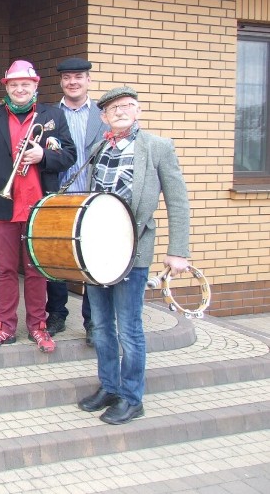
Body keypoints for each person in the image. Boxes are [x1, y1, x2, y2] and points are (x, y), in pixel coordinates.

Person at [78, 86, 190, 425]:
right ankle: (109, 387)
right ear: (104, 117)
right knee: (100, 325)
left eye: (128, 105)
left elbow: (178, 199)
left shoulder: (157, 147)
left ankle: (132, 398)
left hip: (133, 249)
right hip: (96, 250)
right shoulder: (99, 147)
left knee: (129, 328)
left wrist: (178, 251)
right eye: (114, 108)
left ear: (137, 111)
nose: (122, 111)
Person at [0, 60, 76, 354]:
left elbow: (69, 155)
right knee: (5, 270)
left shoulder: (52, 115)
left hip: (39, 207)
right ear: (6, 86)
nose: (19, 89)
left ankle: (37, 326)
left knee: (36, 270)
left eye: (25, 84)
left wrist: (43, 155)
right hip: (1, 203)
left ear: (35, 86)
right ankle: (4, 326)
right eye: (14, 84)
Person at [45, 58, 109, 344]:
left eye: (79, 77)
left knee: (91, 260)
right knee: (57, 257)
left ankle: (92, 320)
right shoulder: (47, 115)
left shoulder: (103, 114)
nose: (73, 82)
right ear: (61, 81)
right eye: (67, 77)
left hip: (93, 197)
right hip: (58, 196)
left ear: (88, 81)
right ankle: (57, 313)